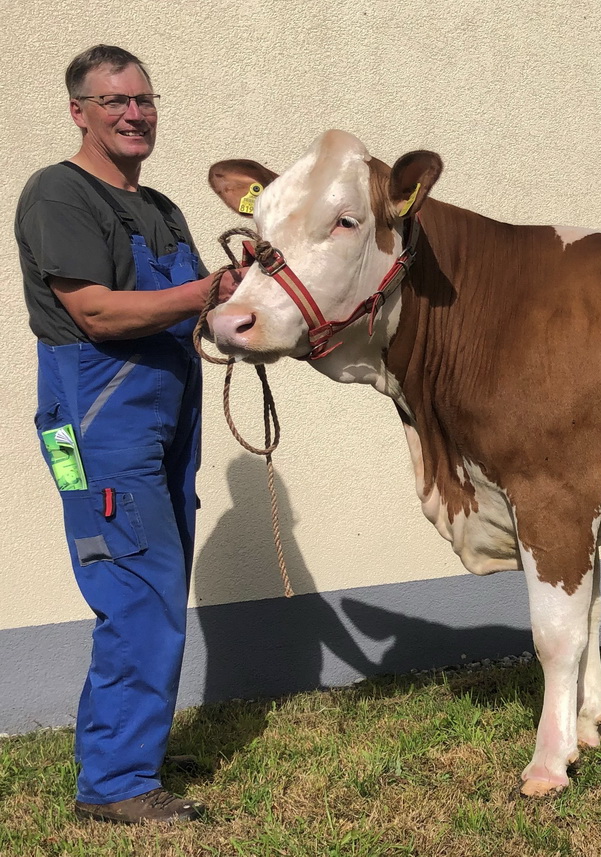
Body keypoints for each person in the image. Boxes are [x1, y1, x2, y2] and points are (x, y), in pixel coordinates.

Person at [13, 45, 243, 824]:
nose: (134, 114)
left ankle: (128, 751)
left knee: (154, 588)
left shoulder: (162, 207)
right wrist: (206, 288)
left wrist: (242, 306)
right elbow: (97, 312)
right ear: (79, 111)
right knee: (136, 592)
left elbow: (188, 309)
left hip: (165, 414)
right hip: (99, 419)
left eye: (144, 99)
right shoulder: (59, 195)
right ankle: (113, 787)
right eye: (114, 102)